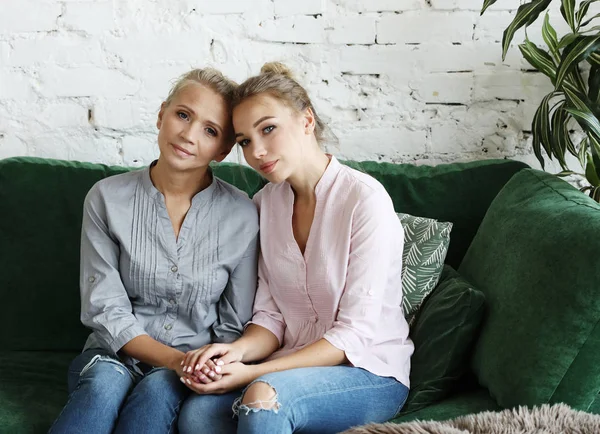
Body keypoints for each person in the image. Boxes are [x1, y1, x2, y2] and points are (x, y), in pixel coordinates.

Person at [178, 62, 414, 434]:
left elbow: (352, 336)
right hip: (290, 366)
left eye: (268, 129)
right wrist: (233, 354)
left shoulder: (363, 199)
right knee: (196, 416)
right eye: (244, 141)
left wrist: (251, 373)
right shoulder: (264, 205)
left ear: (307, 120)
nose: (257, 151)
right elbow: (270, 317)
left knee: (261, 397)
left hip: (368, 369)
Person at [49, 68, 259, 434]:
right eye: (183, 115)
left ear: (223, 149)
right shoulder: (106, 198)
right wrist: (176, 360)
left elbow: (232, 323)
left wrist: (194, 367)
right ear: (162, 114)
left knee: (157, 393)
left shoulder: (243, 214)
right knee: (102, 387)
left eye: (210, 130)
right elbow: (104, 308)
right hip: (111, 355)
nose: (188, 135)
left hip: (191, 366)